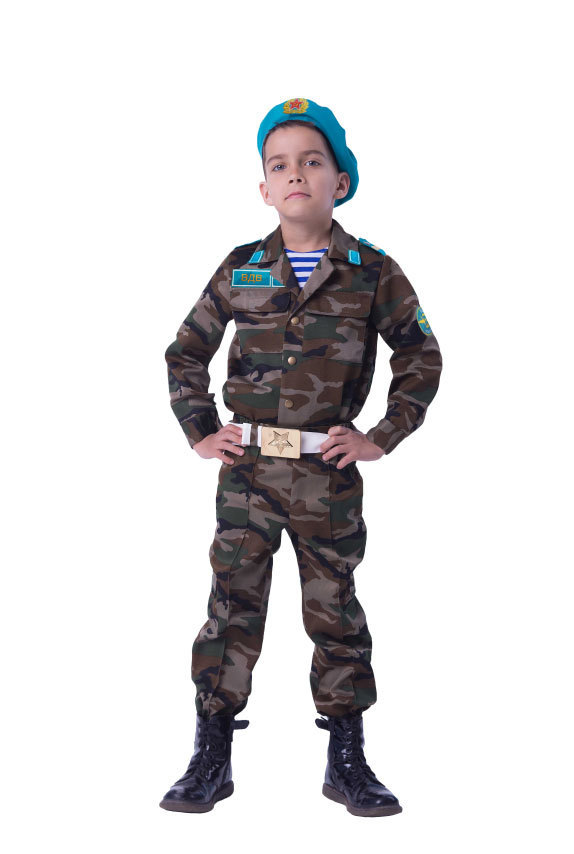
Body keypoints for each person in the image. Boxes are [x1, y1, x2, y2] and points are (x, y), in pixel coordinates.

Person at [159, 97, 442, 817]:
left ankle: (347, 760)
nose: (295, 175)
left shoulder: (371, 271)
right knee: (232, 608)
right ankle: (211, 754)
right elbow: (185, 351)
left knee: (335, 610)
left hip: (327, 476)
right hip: (249, 473)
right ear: (263, 187)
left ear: (339, 181)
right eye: (279, 165)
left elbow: (421, 354)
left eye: (312, 162)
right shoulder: (243, 267)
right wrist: (201, 429)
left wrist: (383, 434)